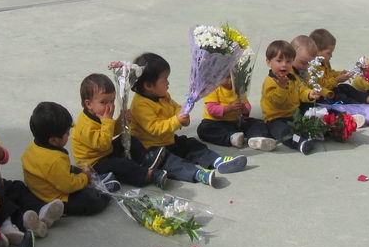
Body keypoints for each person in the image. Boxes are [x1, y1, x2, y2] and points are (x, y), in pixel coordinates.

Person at [128, 52, 247, 186]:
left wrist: (184, 111)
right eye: (165, 79)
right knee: (171, 162)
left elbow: (175, 107)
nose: (168, 83)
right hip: (151, 150)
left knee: (191, 144)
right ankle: (198, 174)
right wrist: (177, 120)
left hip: (168, 140)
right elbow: (155, 128)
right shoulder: (140, 105)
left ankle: (218, 161)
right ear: (149, 85)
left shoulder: (162, 95)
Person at [71, 73, 169, 189]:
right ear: (89, 104)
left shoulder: (100, 114)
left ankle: (146, 159)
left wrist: (122, 122)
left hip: (105, 151)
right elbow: (103, 144)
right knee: (120, 164)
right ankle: (147, 175)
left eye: (112, 101)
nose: (110, 106)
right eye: (103, 102)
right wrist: (108, 122)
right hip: (94, 164)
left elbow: (110, 132)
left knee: (128, 138)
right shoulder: (84, 126)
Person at [20, 102, 110, 217]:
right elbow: (68, 186)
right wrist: (84, 178)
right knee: (92, 200)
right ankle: (104, 195)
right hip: (54, 197)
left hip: (38, 188)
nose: (69, 134)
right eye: (67, 132)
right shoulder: (55, 160)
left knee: (75, 170)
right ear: (53, 140)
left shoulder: (32, 147)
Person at [260, 40, 322, 154]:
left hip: (293, 114)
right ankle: (300, 143)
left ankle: (312, 134)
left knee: (309, 119)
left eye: (288, 61)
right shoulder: (270, 82)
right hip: (275, 119)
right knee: (285, 133)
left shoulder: (292, 76)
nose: (284, 64)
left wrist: (309, 94)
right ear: (269, 63)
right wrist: (282, 87)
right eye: (279, 61)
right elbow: (277, 102)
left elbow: (301, 89)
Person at [198, 74, 275, 151]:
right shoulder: (212, 88)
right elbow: (211, 109)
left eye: (233, 76)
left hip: (236, 122)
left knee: (257, 123)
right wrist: (230, 108)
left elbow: (246, 104)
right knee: (203, 129)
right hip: (215, 122)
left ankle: (257, 138)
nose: (231, 80)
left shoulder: (238, 88)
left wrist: (244, 109)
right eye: (227, 77)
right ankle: (231, 138)